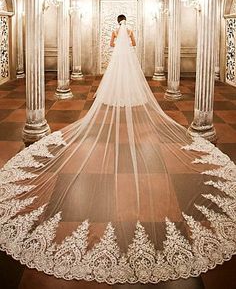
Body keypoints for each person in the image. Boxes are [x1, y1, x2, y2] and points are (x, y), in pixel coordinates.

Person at [0, 14, 235, 285]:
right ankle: (128, 97)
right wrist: (128, 40)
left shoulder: (115, 32)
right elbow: (132, 43)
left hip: (117, 63)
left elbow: (113, 45)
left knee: (113, 85)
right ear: (127, 22)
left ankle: (117, 97)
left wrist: (117, 39)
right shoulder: (131, 31)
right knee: (132, 85)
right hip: (130, 62)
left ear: (117, 22)